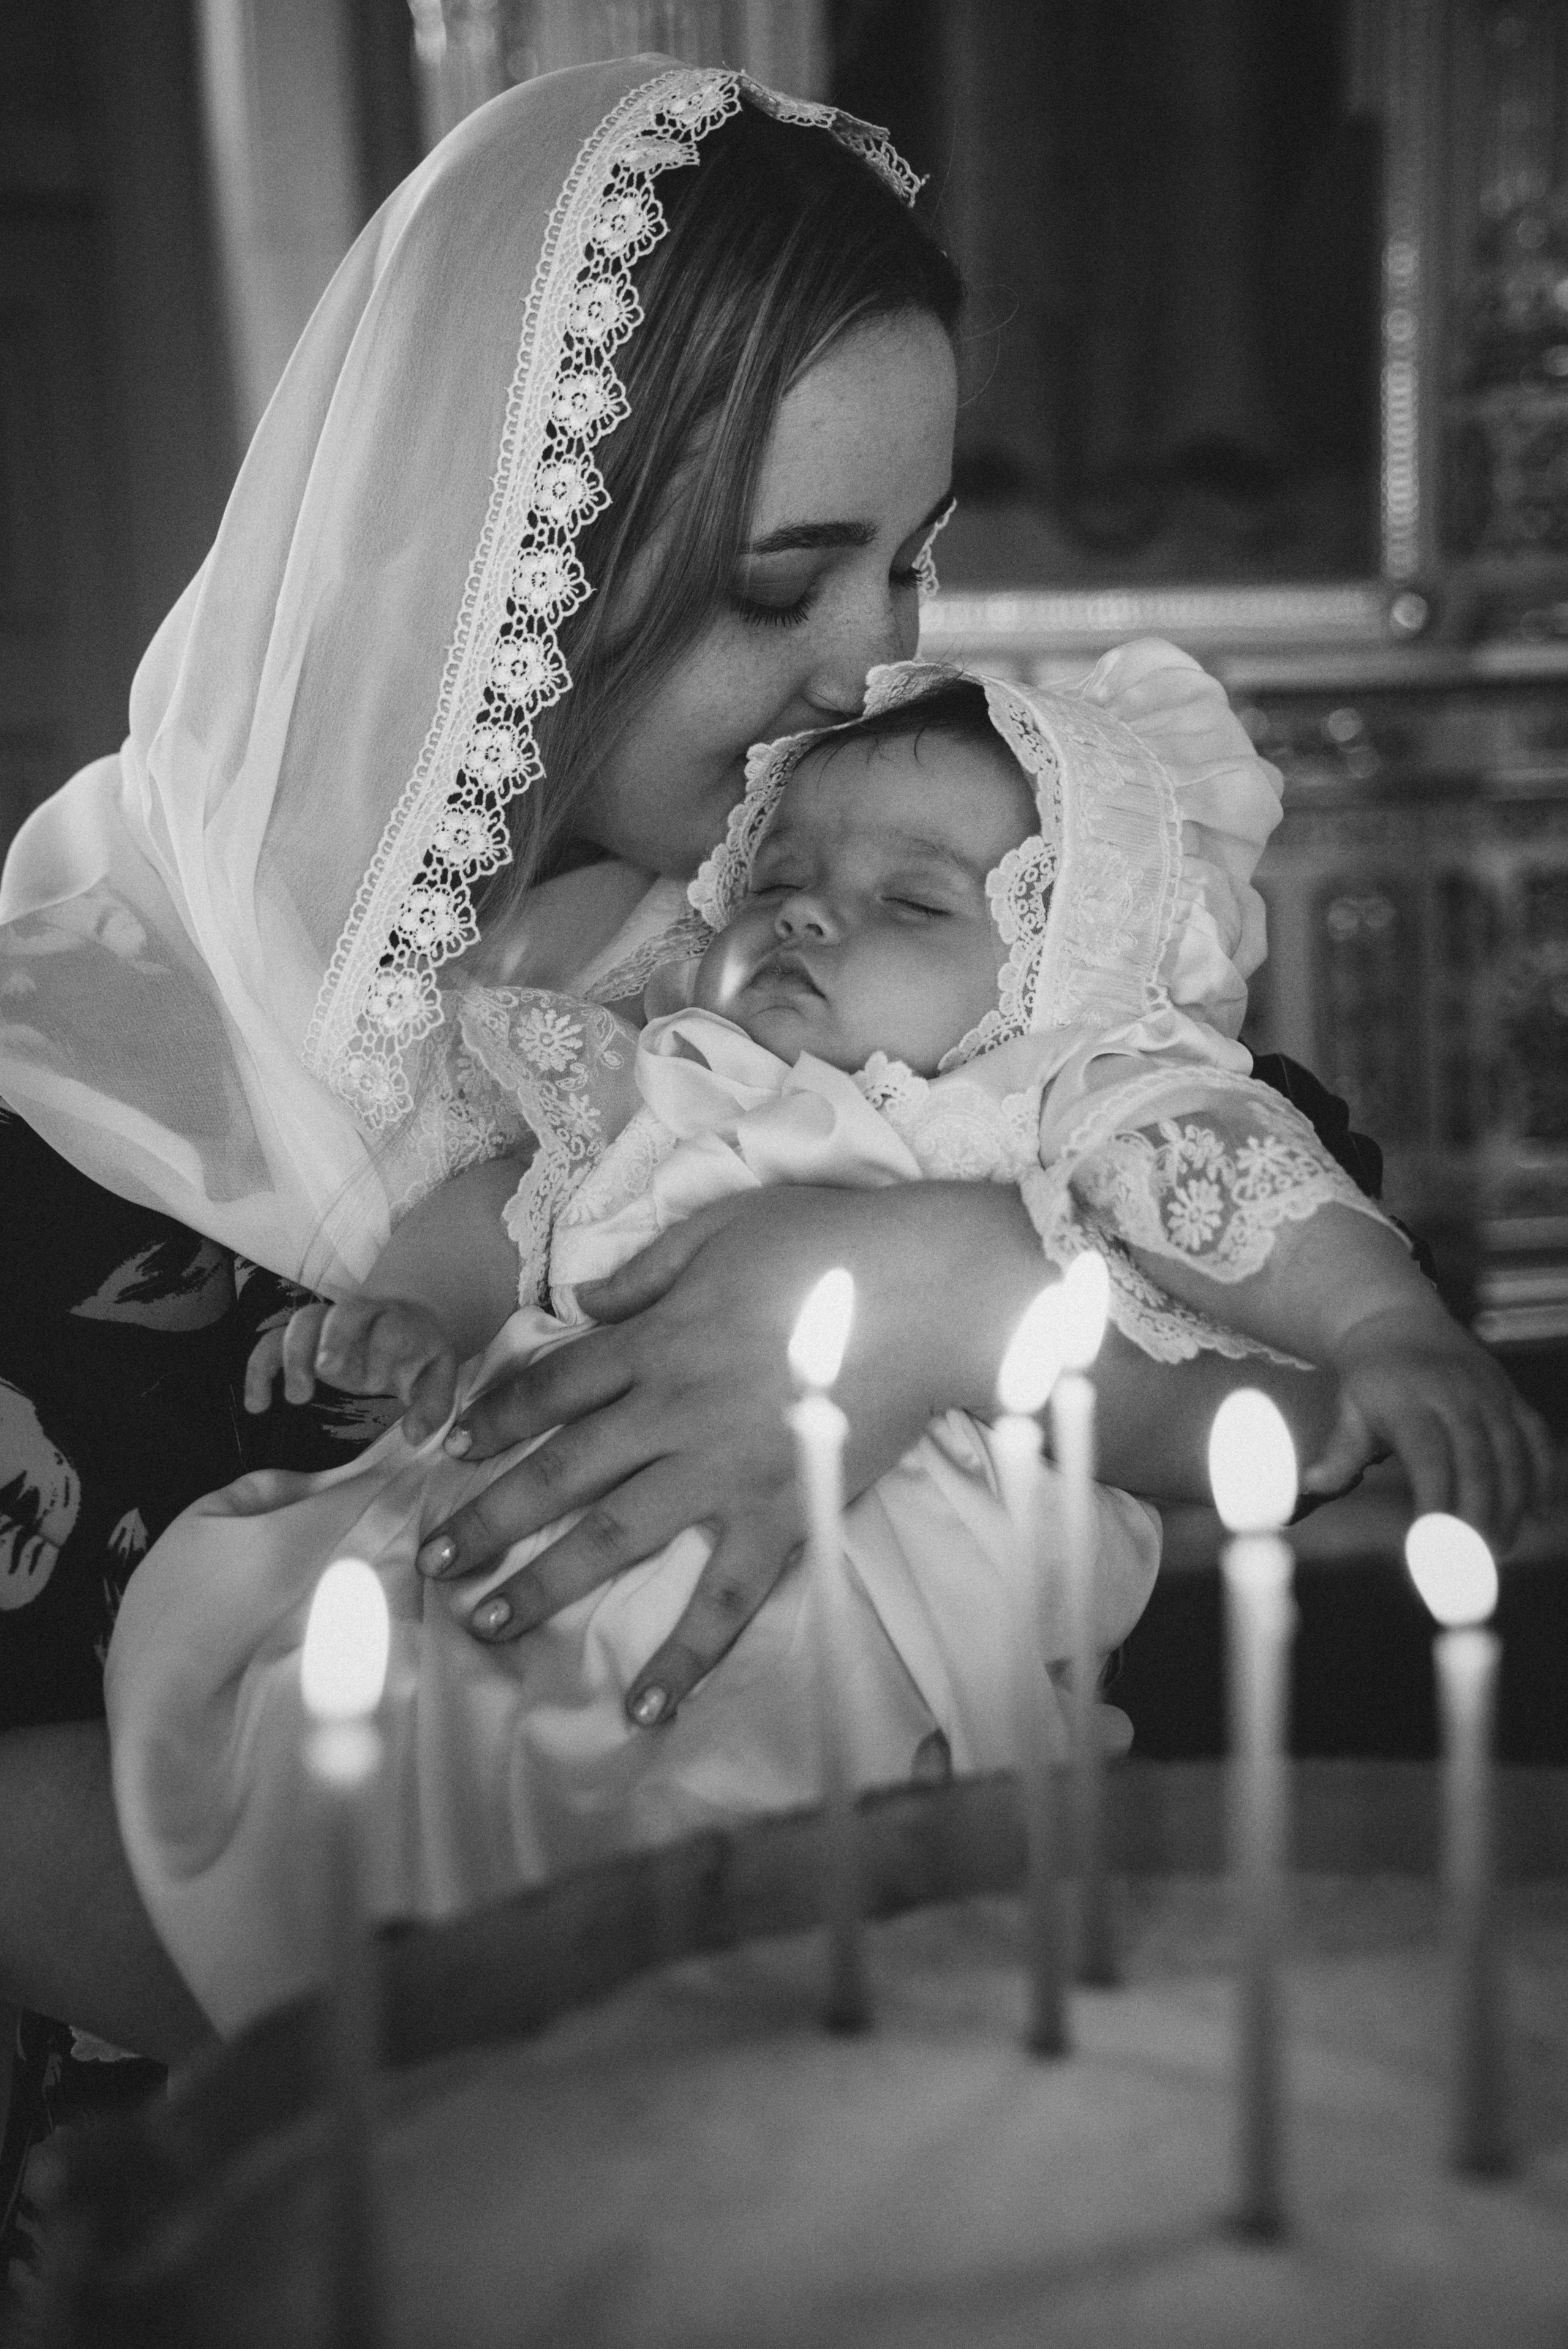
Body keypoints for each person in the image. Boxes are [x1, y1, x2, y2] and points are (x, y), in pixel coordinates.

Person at [0, 60, 1482, 2086]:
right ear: (494, 558)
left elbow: (1302, 1244)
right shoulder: (55, 1093)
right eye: (784, 581)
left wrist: (942, 1281)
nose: (867, 665)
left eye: (913, 562)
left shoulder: (808, 938)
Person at [104, 660, 1548, 2032]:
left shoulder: (1039, 1112)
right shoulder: (664, 1075)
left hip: (851, 1661)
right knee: (337, 1731)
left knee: (767, 1869)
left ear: (1059, 964)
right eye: (775, 879)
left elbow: (1234, 1184)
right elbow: (503, 1208)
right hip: (516, 1588)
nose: (802, 916)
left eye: (911, 902)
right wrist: (414, 1314)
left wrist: (1380, 1324)